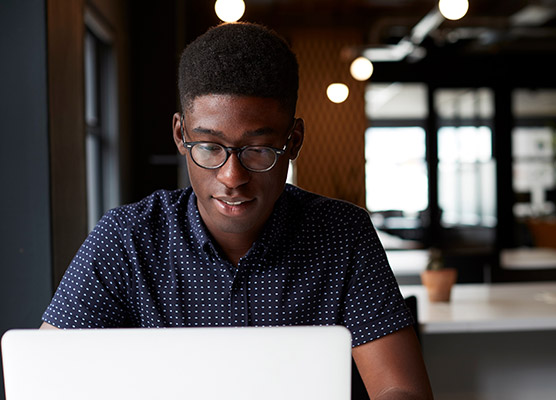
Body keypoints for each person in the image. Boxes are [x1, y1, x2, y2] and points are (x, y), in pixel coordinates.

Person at [41, 22, 433, 399]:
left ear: (293, 141)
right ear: (181, 134)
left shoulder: (342, 235)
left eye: (257, 150)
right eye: (210, 147)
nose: (232, 177)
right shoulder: (127, 239)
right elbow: (44, 380)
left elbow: (401, 389)